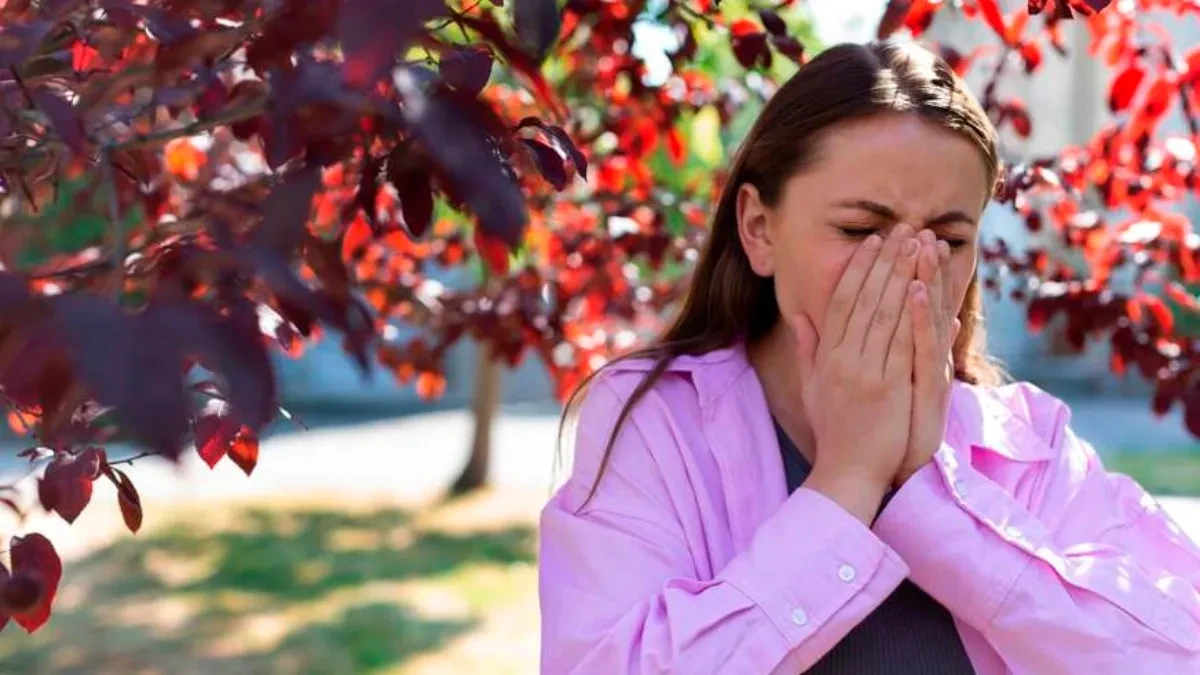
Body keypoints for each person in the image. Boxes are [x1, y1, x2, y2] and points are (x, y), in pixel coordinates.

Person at [537, 41, 1200, 674]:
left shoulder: (1027, 443)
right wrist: (846, 483)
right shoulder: (656, 421)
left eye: (947, 237)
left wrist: (932, 501)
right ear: (759, 228)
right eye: (858, 230)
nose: (910, 271)